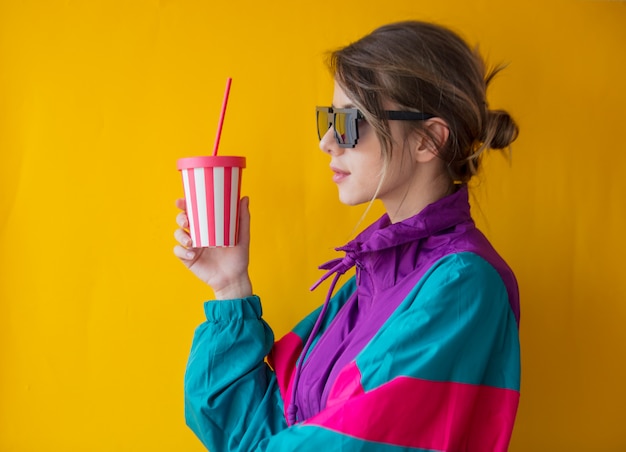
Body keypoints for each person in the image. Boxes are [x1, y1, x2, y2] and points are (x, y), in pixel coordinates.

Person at [174, 20, 520, 452]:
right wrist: (229, 286)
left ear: (428, 141)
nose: (327, 141)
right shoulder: (367, 282)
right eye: (329, 119)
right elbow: (251, 432)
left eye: (350, 122)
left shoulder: (462, 285)